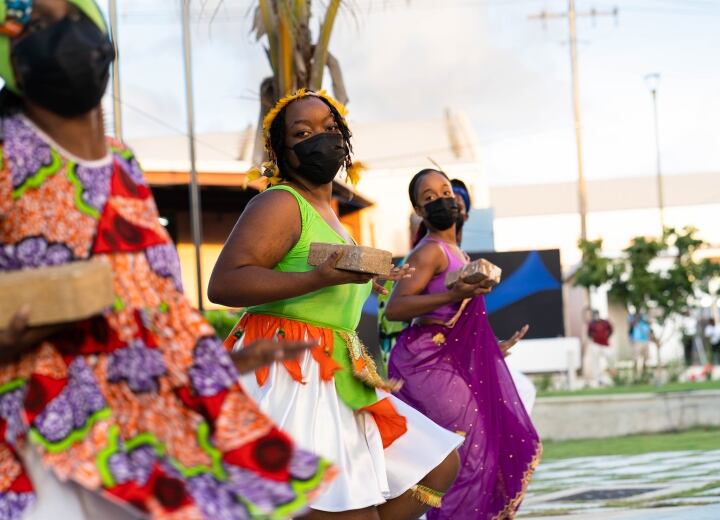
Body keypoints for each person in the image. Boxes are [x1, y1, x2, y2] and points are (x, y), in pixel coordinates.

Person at [0, 1, 334, 518]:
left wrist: (216, 366)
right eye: (40, 23)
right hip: (37, 429)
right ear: (11, 52)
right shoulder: (7, 153)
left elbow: (158, 301)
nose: (65, 35)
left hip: (134, 421)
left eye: (72, 18)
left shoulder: (123, 163)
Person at [208, 90, 463, 519]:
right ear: (281, 151)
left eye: (330, 128)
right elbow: (225, 283)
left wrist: (366, 282)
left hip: (339, 368)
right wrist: (317, 278)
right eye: (303, 132)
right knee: (345, 508)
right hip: (293, 372)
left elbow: (327, 284)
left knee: (438, 465)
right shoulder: (280, 202)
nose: (320, 139)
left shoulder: (328, 213)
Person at [384, 169, 541, 519]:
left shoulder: (459, 255)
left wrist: (492, 348)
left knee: (476, 452)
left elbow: (456, 317)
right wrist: (455, 292)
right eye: (428, 197)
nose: (441, 199)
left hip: (447, 358)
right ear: (420, 212)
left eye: (444, 191)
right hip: (426, 358)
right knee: (469, 454)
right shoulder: (430, 252)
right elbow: (395, 309)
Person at [584, 310, 614, 387]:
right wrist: (594, 338)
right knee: (595, 363)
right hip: (596, 344)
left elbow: (611, 330)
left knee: (610, 360)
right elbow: (589, 333)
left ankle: (613, 376)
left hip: (605, 344)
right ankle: (598, 379)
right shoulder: (591, 324)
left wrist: (607, 336)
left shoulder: (604, 322)